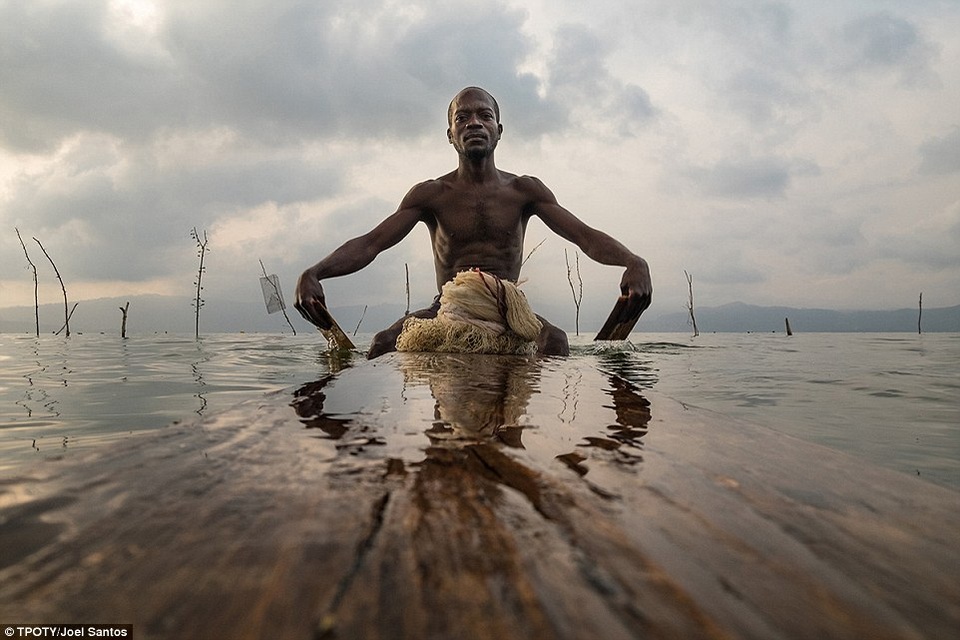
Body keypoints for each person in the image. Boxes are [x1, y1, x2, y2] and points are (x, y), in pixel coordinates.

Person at [295, 87, 652, 358]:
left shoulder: (524, 190)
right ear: (451, 134)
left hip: (508, 307)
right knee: (383, 342)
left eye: (484, 115)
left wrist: (633, 261)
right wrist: (316, 272)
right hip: (445, 307)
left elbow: (584, 236)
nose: (474, 123)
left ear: (499, 129)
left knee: (555, 340)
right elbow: (371, 243)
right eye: (462, 118)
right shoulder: (431, 194)